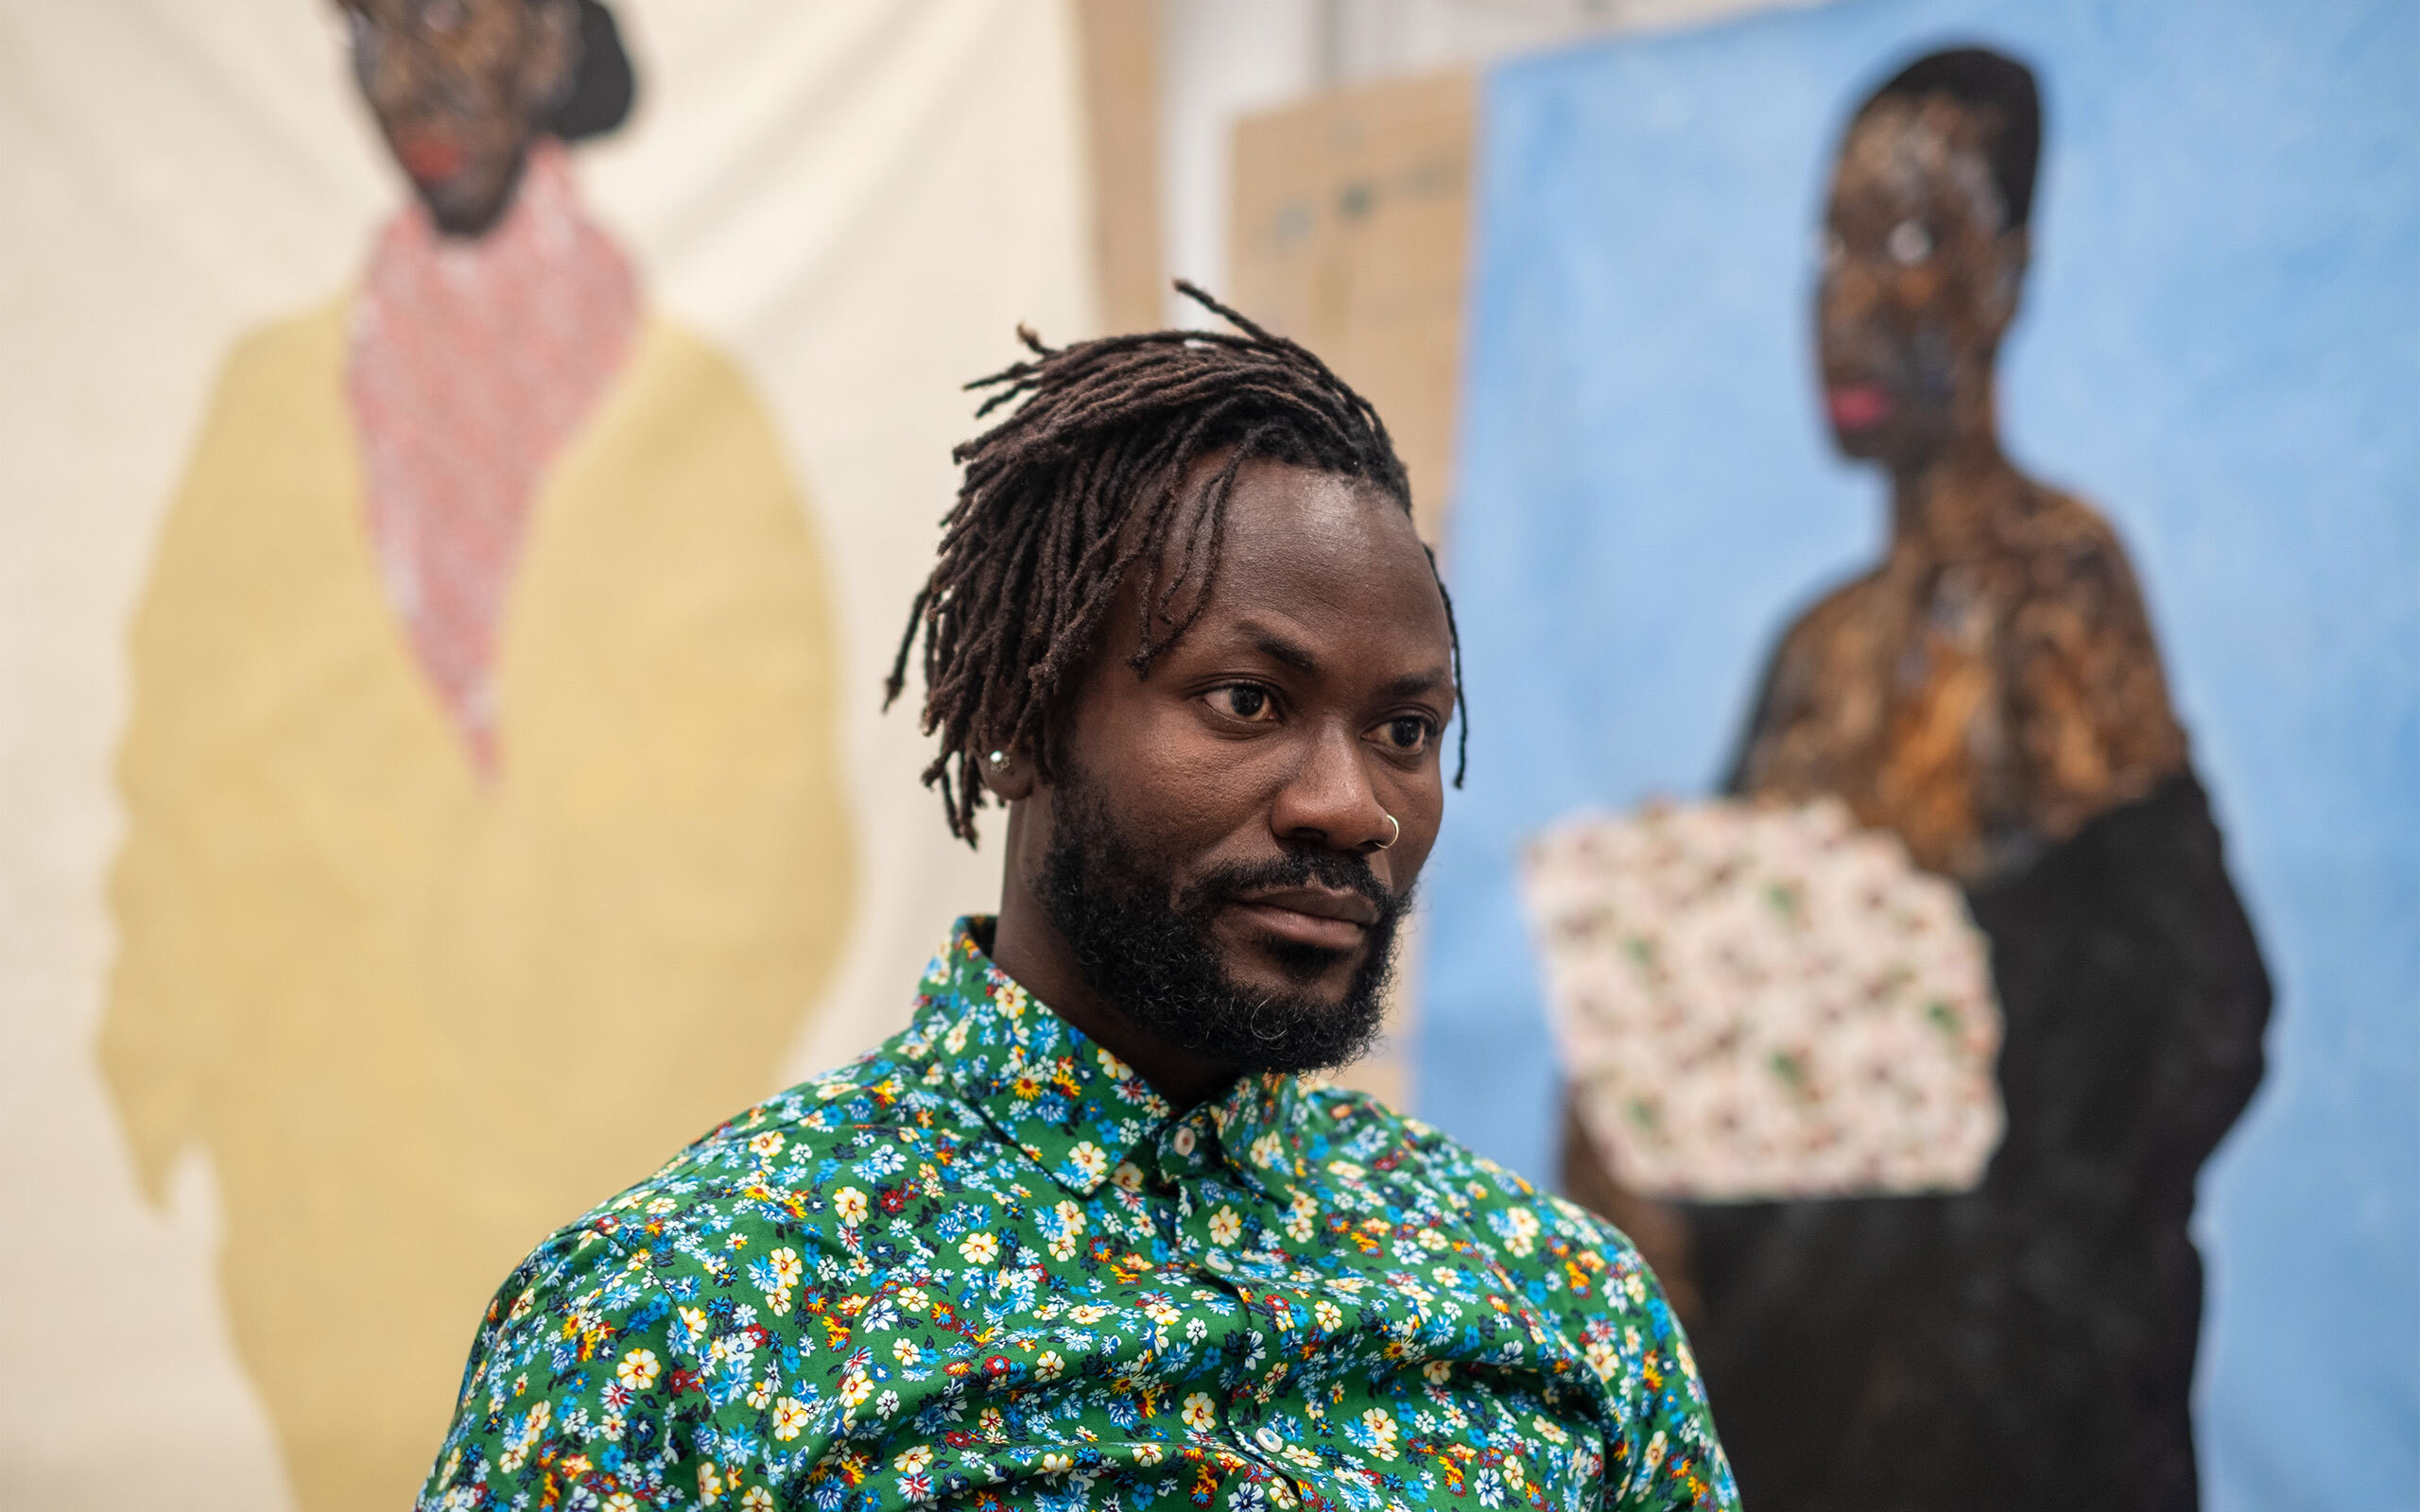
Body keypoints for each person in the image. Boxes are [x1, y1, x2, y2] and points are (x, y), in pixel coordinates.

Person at [416, 289, 1738, 1511]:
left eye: (1404, 728)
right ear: (1015, 723)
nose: (1353, 806)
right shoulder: (673, 1319)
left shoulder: (1564, 1306)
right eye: (1248, 702)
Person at [100, 3, 851, 1504]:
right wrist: (176, 1064)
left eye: (467, 25)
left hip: (616, 1186)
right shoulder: (270, 402)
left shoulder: (690, 421)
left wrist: (630, 1104)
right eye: (380, 29)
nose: (419, 85)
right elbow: (172, 762)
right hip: (325, 1202)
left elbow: (784, 842)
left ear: (561, 56)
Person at [1564, 48, 2270, 1510]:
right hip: (1781, 1413)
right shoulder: (1816, 654)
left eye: (1906, 236)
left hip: (1985, 1433)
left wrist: (1973, 1314)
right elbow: (1695, 1033)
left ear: (2007, 275)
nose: (1847, 296)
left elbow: (2191, 1010)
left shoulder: (2055, 594)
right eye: (1830, 242)